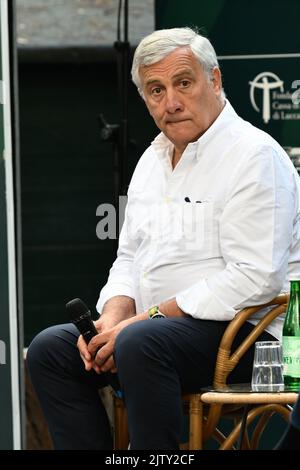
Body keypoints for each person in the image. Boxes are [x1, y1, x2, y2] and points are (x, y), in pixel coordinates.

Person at [27, 27, 300, 450]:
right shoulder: (151, 161)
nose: (170, 102)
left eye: (183, 83)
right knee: (52, 349)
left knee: (141, 342)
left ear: (215, 80)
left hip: (246, 336)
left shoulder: (254, 156)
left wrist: (144, 320)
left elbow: (255, 278)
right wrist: (114, 317)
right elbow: (130, 258)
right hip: (154, 335)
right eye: (156, 90)